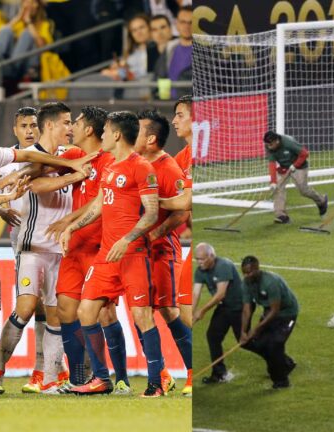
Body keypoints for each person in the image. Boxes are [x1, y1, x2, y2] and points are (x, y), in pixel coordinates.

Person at [0, 106, 94, 395]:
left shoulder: (62, 155)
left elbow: (33, 160)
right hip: (20, 247)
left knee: (42, 313)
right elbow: (26, 182)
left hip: (44, 250)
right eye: (65, 123)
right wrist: (5, 199)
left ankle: (37, 376)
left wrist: (72, 164)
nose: (69, 127)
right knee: (18, 310)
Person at [60, 111, 164, 397]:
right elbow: (99, 208)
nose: (102, 136)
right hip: (107, 254)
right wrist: (72, 227)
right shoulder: (109, 169)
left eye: (105, 131)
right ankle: (102, 379)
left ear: (117, 134)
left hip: (132, 253)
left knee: (142, 315)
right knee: (86, 311)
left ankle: (156, 383)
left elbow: (152, 213)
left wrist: (128, 238)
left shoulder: (141, 167)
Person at [0, 102, 81, 393]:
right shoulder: (30, 161)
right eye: (66, 122)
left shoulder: (70, 155)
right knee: (27, 307)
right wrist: (71, 174)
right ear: (51, 125)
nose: (70, 128)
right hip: (31, 246)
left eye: (72, 122)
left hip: (61, 250)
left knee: (55, 314)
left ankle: (50, 377)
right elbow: (32, 181)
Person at [43, 106, 120, 392]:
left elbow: (99, 204)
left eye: (75, 121)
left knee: (103, 313)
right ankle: (77, 379)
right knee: (66, 309)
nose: (71, 126)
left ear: (89, 129)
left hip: (100, 247)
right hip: (74, 248)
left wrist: (68, 220)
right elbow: (42, 169)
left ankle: (117, 377)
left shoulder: (112, 160)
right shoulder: (76, 156)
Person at [135, 109, 193, 396]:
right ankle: (161, 375)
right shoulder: (132, 164)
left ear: (151, 138)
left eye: (138, 130)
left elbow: (183, 210)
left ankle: (194, 373)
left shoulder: (168, 168)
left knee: (170, 311)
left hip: (160, 251)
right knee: (139, 312)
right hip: (136, 253)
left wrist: (156, 233)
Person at [239, 256, 299, 389]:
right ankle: (285, 363)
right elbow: (247, 309)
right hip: (269, 312)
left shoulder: (270, 282)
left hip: (287, 314)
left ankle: (282, 381)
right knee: (254, 343)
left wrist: (256, 329)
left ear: (257, 269)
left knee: (275, 344)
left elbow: (275, 310)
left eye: (250, 272)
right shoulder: (246, 283)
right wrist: (244, 331)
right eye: (244, 273)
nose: (247, 275)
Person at [192, 243, 245, 384]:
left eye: (202, 259)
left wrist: (201, 311)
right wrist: (190, 316)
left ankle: (280, 359)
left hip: (238, 307)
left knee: (246, 342)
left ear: (212, 256)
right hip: (224, 308)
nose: (199, 262)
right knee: (213, 336)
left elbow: (221, 294)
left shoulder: (223, 266)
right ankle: (219, 374)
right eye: (197, 259)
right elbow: (195, 293)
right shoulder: (200, 271)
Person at [263, 131, 328, 224]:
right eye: (267, 144)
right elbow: (272, 163)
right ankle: (281, 215)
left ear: (277, 141)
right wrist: (273, 181)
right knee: (277, 188)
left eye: (270, 144)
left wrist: (295, 165)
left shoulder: (289, 143)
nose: (268, 146)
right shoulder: (268, 145)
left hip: (299, 166)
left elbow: (305, 153)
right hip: (284, 167)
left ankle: (321, 201)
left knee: (303, 190)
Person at [0, 0, 54, 81]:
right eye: (26, 2)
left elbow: (42, 46)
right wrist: (18, 17)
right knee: (6, 30)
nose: (28, 5)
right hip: (7, 62)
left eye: (32, 2)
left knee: (27, 34)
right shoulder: (17, 23)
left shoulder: (44, 24)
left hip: (24, 66)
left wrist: (29, 23)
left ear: (37, 6)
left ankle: (12, 68)